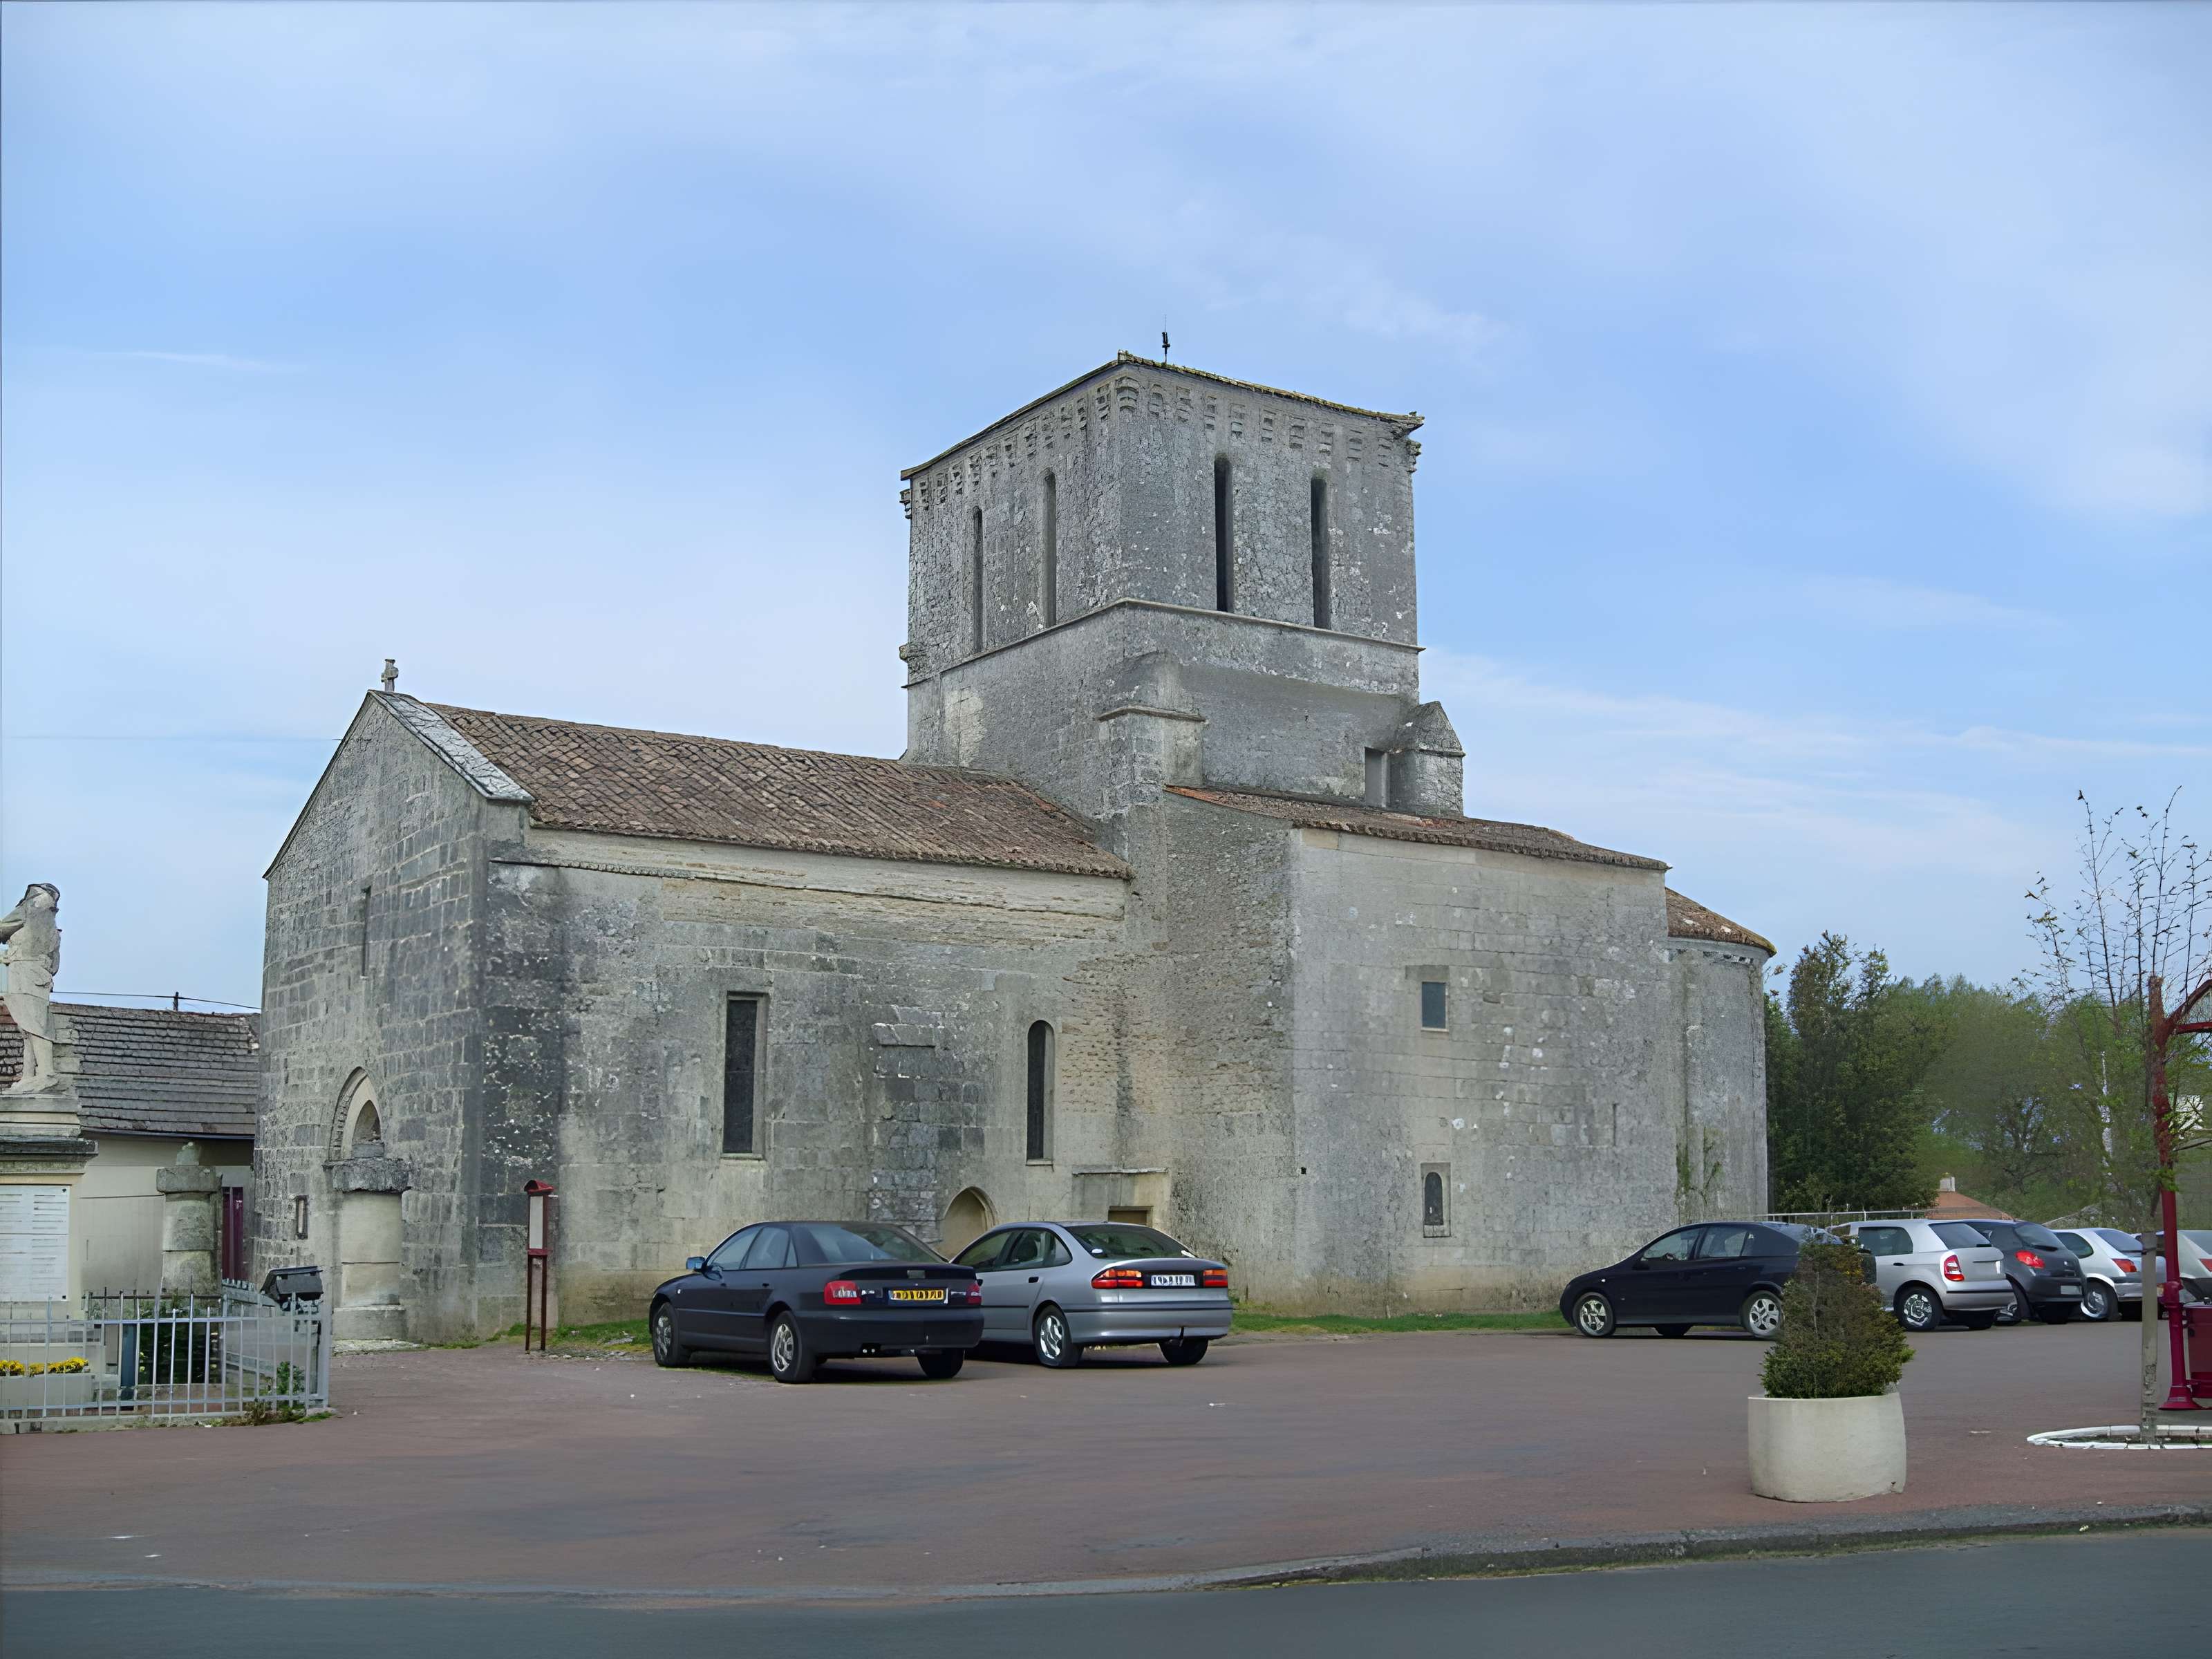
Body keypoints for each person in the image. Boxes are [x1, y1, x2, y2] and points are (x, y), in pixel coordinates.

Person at [0, 883, 62, 1094]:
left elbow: (1, 929)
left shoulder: (29, 909)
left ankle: (45, 1073)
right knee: (30, 1027)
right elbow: (55, 964)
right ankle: (30, 1075)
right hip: (40, 976)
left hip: (23, 974)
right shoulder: (52, 926)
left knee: (34, 1027)